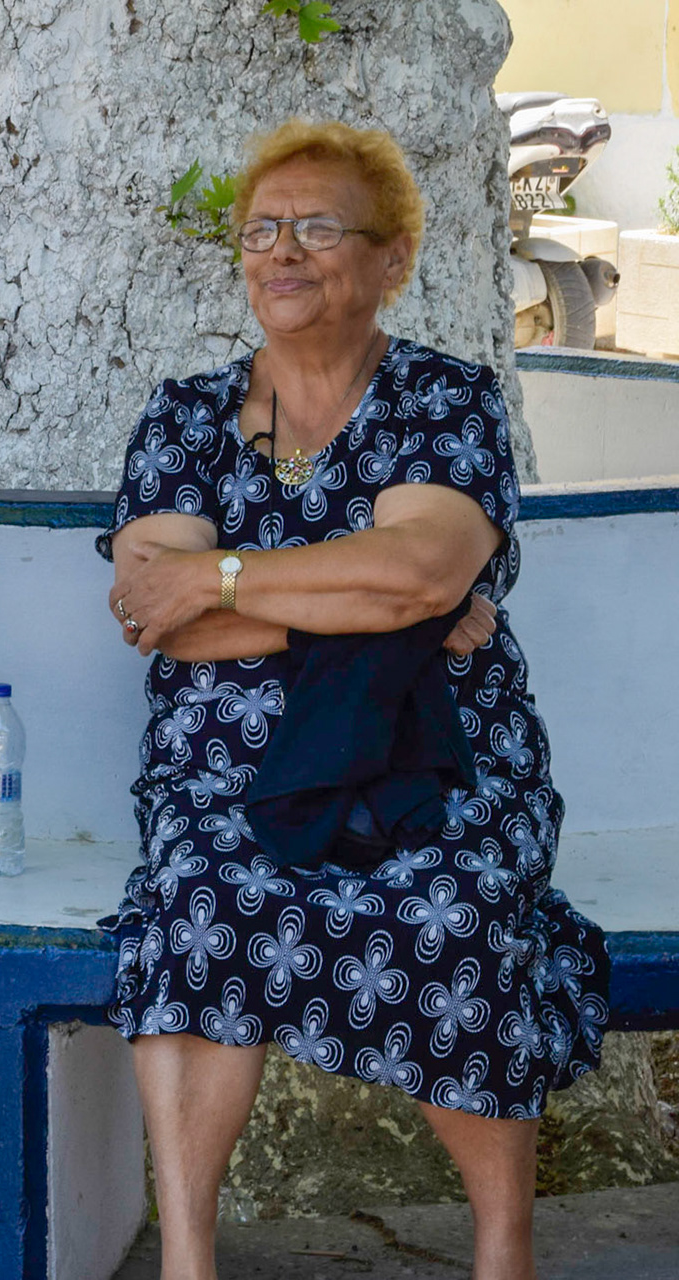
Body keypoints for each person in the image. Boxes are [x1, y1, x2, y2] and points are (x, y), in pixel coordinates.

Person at [100, 119, 607, 1280]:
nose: (282, 250)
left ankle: (504, 1250)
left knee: (460, 911)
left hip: (434, 755)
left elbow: (422, 570)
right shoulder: (187, 415)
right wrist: (382, 613)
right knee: (192, 901)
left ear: (392, 259)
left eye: (319, 227)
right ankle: (188, 1259)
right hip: (225, 761)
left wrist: (225, 579)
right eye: (262, 229)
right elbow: (144, 604)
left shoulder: (444, 399)